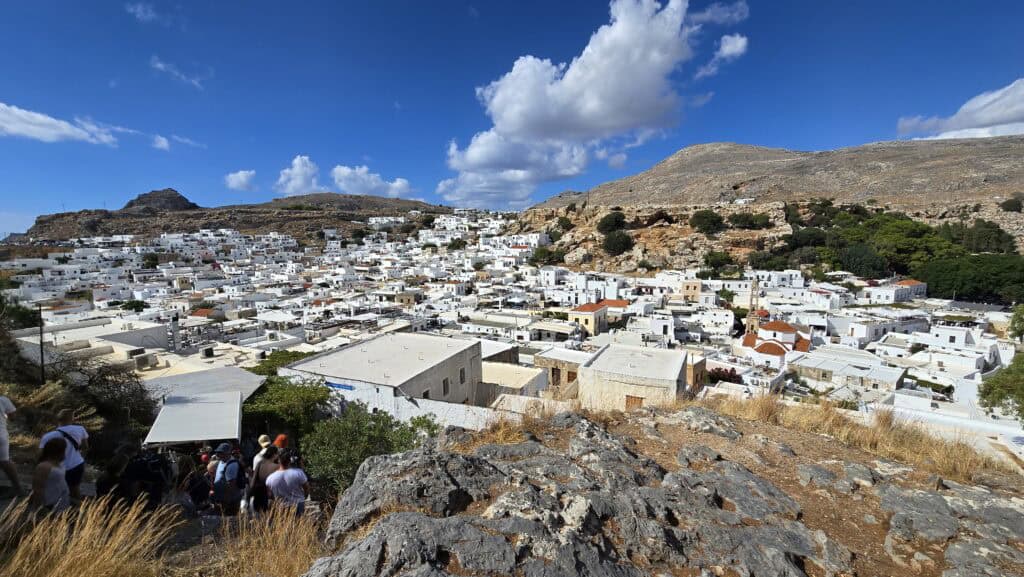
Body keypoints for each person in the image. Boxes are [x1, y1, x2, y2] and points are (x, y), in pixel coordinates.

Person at [39, 409, 89, 500]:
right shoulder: (80, 429)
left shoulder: (48, 436)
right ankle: (77, 510)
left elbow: (41, 455)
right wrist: (82, 459)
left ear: (58, 419)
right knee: (75, 488)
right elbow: (85, 447)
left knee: (55, 489)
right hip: (76, 464)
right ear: (72, 419)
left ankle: (57, 509)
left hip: (56, 467)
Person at [30, 436, 71, 514]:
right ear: (58, 452)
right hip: (49, 506)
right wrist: (39, 508)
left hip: (61, 504)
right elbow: (37, 489)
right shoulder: (43, 466)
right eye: (64, 450)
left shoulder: (59, 464)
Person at [265, 450, 309, 516]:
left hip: (282, 506)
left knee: (285, 525)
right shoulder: (299, 473)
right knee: (299, 524)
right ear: (290, 460)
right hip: (298, 504)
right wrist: (304, 496)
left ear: (278, 460)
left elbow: (270, 495)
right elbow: (306, 487)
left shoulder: (270, 478)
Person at [0, 394, 25, 497]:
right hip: (1, 435)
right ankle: (18, 489)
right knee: (5, 461)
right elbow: (13, 417)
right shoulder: (3, 399)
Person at [212, 442, 245, 515]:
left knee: (228, 520)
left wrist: (227, 501)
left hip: (229, 500)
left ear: (227, 453)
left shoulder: (232, 465)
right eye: (217, 452)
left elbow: (231, 484)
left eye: (220, 452)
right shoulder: (222, 461)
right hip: (222, 498)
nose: (217, 454)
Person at [248, 445, 278, 514]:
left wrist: (250, 495)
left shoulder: (260, 463)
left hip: (258, 495)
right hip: (270, 496)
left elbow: (253, 482)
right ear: (274, 454)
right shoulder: (276, 466)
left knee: (259, 520)